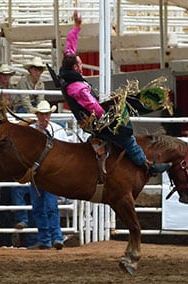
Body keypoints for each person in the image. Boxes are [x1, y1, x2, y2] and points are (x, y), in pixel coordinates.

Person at [57, 11, 170, 176]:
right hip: (93, 121)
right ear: (75, 68)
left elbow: (70, 46)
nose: (82, 65)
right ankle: (147, 166)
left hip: (90, 116)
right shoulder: (77, 87)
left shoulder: (66, 72)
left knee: (121, 113)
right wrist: (107, 117)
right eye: (80, 63)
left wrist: (77, 27)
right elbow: (92, 104)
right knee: (126, 136)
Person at [27, 100, 74, 250]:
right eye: (41, 115)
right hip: (36, 175)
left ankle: (53, 238)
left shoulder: (57, 131)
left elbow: (65, 153)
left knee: (50, 206)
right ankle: (48, 239)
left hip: (51, 175)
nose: (43, 118)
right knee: (39, 207)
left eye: (46, 114)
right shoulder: (31, 131)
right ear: (38, 115)